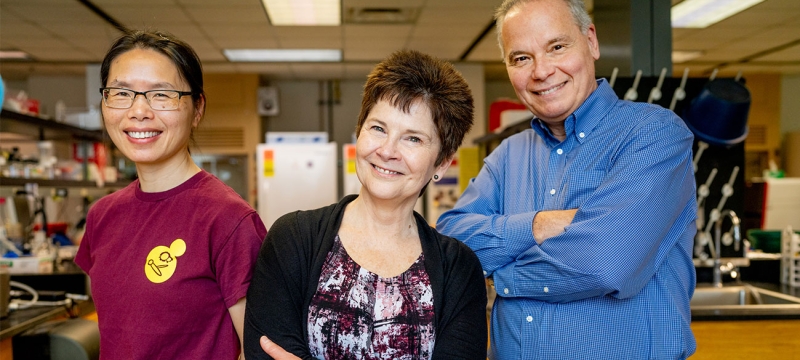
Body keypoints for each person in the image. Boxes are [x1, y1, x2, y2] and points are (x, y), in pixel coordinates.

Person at [436, 0, 698, 359]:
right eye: (521, 58)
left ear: (591, 41)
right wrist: (539, 225)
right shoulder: (508, 155)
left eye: (557, 47)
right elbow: (450, 247)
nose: (541, 71)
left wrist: (502, 276)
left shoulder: (654, 134)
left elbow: (605, 264)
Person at [244, 49, 487, 360]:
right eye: (378, 128)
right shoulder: (292, 239)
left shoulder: (459, 270)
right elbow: (264, 352)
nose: (387, 151)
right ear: (359, 131)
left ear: (442, 162)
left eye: (413, 138)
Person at [74, 30, 266, 359]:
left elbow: (259, 350)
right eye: (121, 93)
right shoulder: (101, 215)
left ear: (197, 108)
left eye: (161, 94)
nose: (138, 111)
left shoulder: (228, 220)